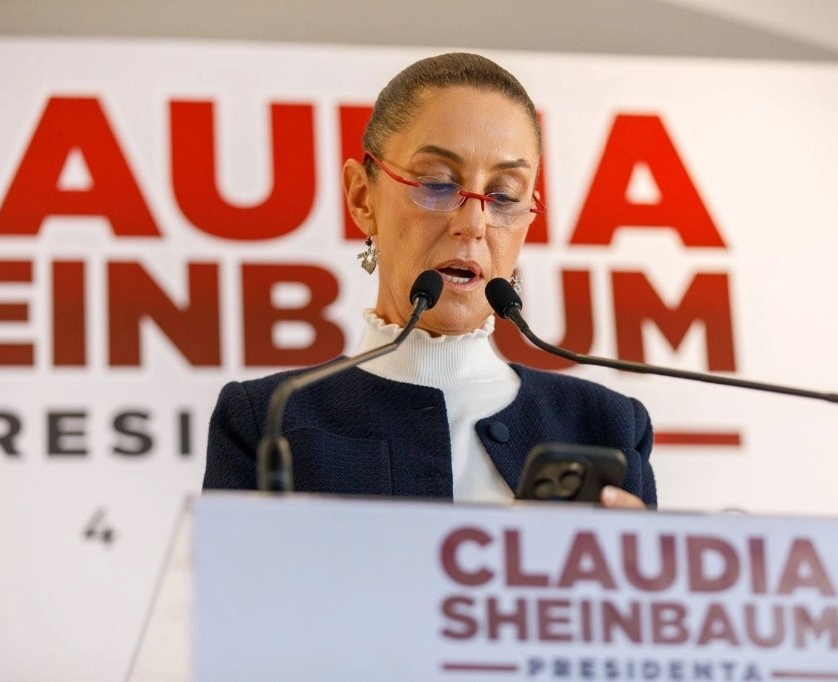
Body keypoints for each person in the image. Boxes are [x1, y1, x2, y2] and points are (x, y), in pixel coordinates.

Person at [203, 53, 655, 509]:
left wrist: (640, 577)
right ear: (363, 197)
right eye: (438, 184)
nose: (474, 223)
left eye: (503, 195)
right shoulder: (269, 419)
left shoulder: (607, 427)